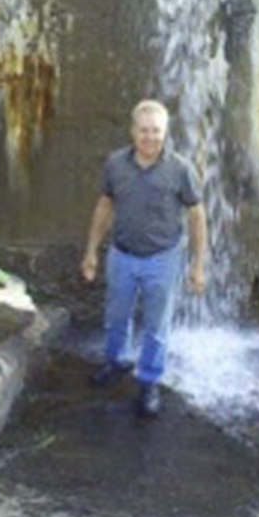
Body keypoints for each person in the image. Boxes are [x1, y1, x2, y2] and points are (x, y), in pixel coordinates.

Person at [80, 99, 207, 417]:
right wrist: (91, 251)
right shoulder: (116, 164)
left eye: (156, 131)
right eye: (144, 130)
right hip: (122, 254)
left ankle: (149, 381)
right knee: (115, 316)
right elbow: (105, 206)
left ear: (165, 132)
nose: (150, 137)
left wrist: (198, 264)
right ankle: (116, 361)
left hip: (163, 258)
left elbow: (197, 216)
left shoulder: (180, 169)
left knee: (156, 325)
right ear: (132, 131)